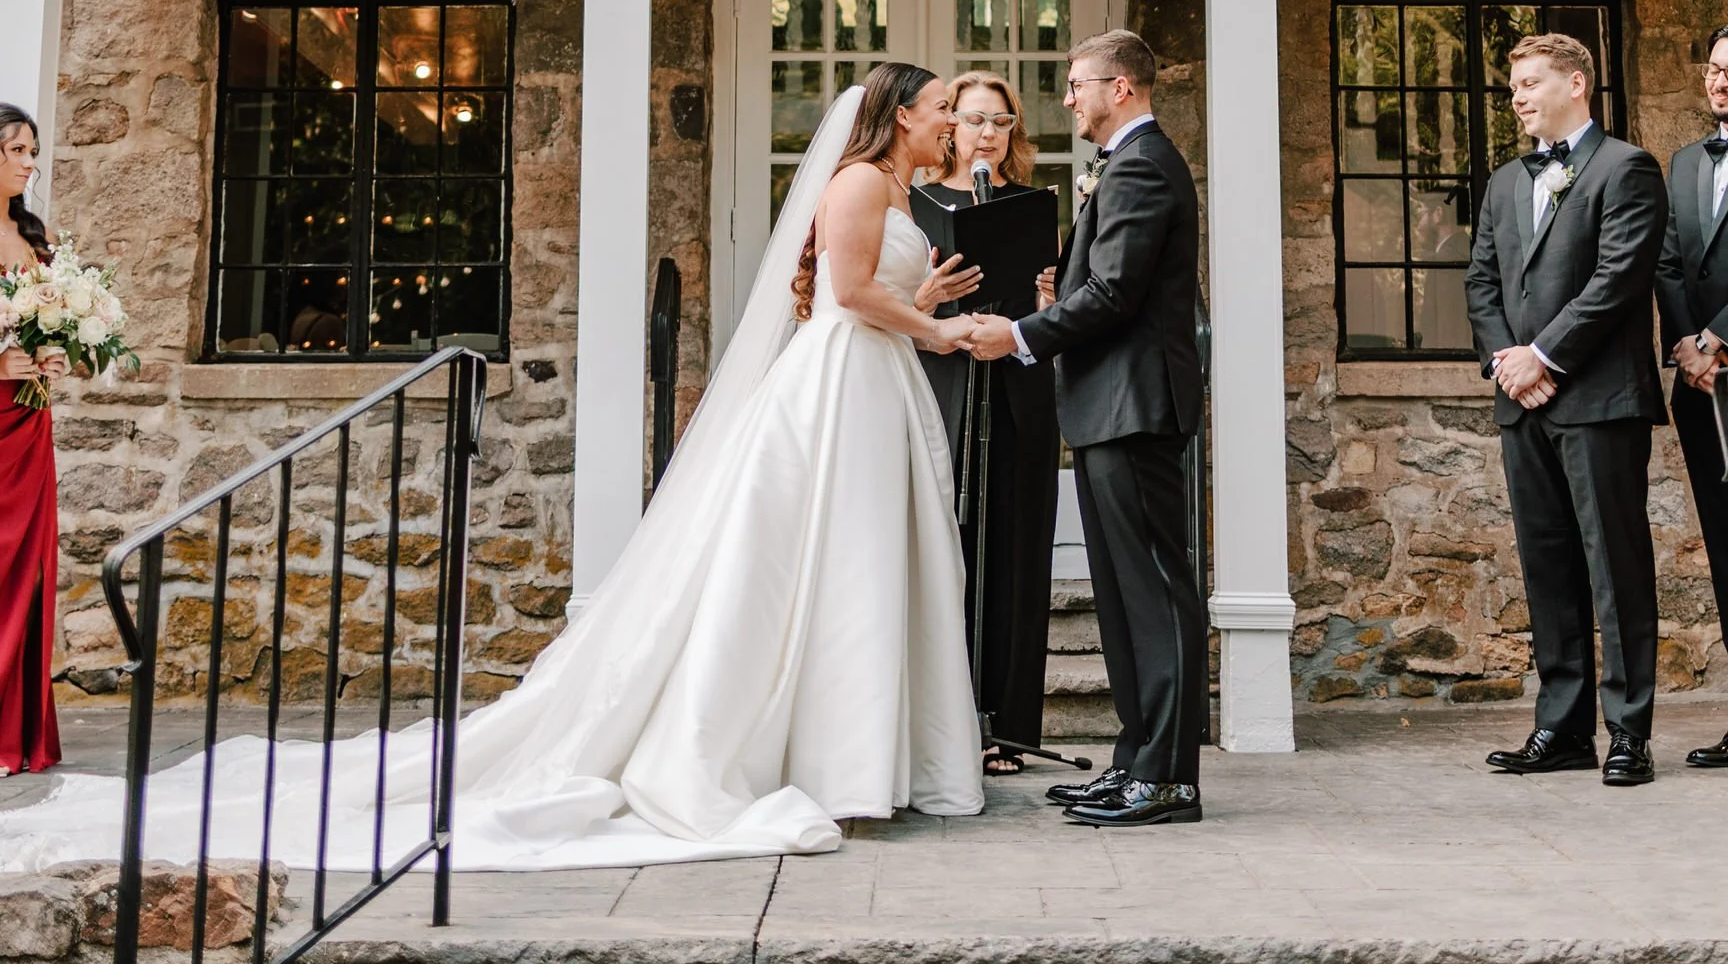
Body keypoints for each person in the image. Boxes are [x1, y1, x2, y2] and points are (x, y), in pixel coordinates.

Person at [0, 64, 984, 873]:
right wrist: (944, 330)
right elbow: (848, 293)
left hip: (872, 380)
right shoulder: (860, 182)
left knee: (861, 568)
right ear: (901, 116)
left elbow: (858, 288)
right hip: (847, 382)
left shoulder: (899, 189)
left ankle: (866, 754)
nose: (953, 120)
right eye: (943, 106)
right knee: (837, 562)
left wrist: (925, 301)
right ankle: (827, 758)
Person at [968, 30, 1206, 828]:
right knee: (1119, 596)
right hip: (1109, 404)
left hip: (1135, 406)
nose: (1068, 99)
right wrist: (1055, 295)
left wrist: (1022, 335)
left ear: (1123, 88)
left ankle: (1168, 776)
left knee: (1156, 592)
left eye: (1078, 85)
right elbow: (1099, 284)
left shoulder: (1142, 166)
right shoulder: (1125, 167)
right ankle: (1135, 759)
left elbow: (1116, 296)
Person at [1466, 31, 1668, 787]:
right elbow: (1480, 284)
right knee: (1547, 566)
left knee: (1616, 566)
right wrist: (1504, 364)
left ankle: (1628, 732)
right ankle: (1562, 727)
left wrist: (1541, 356)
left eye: (1530, 82)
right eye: (1513, 84)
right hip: (1523, 403)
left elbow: (1617, 280)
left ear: (1577, 83)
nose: (1516, 96)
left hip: (1598, 400)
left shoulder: (1627, 169)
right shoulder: (1505, 182)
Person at [915, 75, 1061, 775]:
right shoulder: (916, 203)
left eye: (1002, 121)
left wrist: (1046, 299)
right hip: (944, 381)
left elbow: (1053, 302)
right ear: (951, 128)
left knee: (1017, 548)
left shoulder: (1028, 207)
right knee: (951, 546)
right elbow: (891, 302)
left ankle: (1009, 725)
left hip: (1016, 387)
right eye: (974, 119)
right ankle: (947, 720)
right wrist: (931, 298)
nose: (988, 133)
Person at [1654, 21, 1728, 768]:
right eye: (1713, 68)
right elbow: (1667, 262)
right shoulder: (1682, 164)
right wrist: (1688, 346)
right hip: (1702, 387)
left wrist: (1721, 339)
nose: (1720, 81)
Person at [0, 107, 65, 778]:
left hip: (27, 420)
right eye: (16, 149)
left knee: (26, 571)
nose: (28, 162)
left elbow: (49, 324)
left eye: (31, 152)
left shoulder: (36, 241)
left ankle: (11, 736)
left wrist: (53, 355)